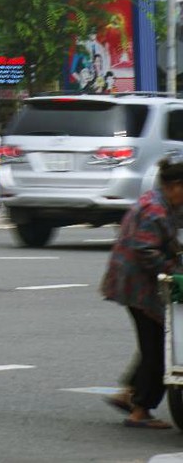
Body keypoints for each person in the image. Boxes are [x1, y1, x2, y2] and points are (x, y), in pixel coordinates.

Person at [102, 158, 183, 428]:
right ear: (175, 186)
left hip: (136, 282)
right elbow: (145, 250)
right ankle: (140, 410)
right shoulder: (154, 209)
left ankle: (130, 393)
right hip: (138, 285)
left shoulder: (163, 203)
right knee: (159, 349)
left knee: (154, 340)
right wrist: (174, 271)